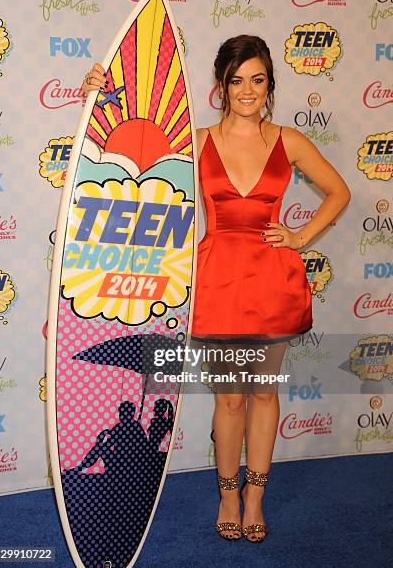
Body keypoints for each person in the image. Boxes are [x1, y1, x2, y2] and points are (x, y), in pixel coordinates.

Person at [81, 34, 351, 543]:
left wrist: (299, 236)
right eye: (236, 81)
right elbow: (129, 152)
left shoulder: (288, 141)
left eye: (257, 79)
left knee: (264, 395)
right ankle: (228, 492)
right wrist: (102, 92)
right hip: (220, 278)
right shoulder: (197, 140)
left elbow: (339, 191)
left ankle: (255, 497)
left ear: (269, 83)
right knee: (230, 399)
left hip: (273, 278)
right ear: (221, 86)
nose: (247, 91)